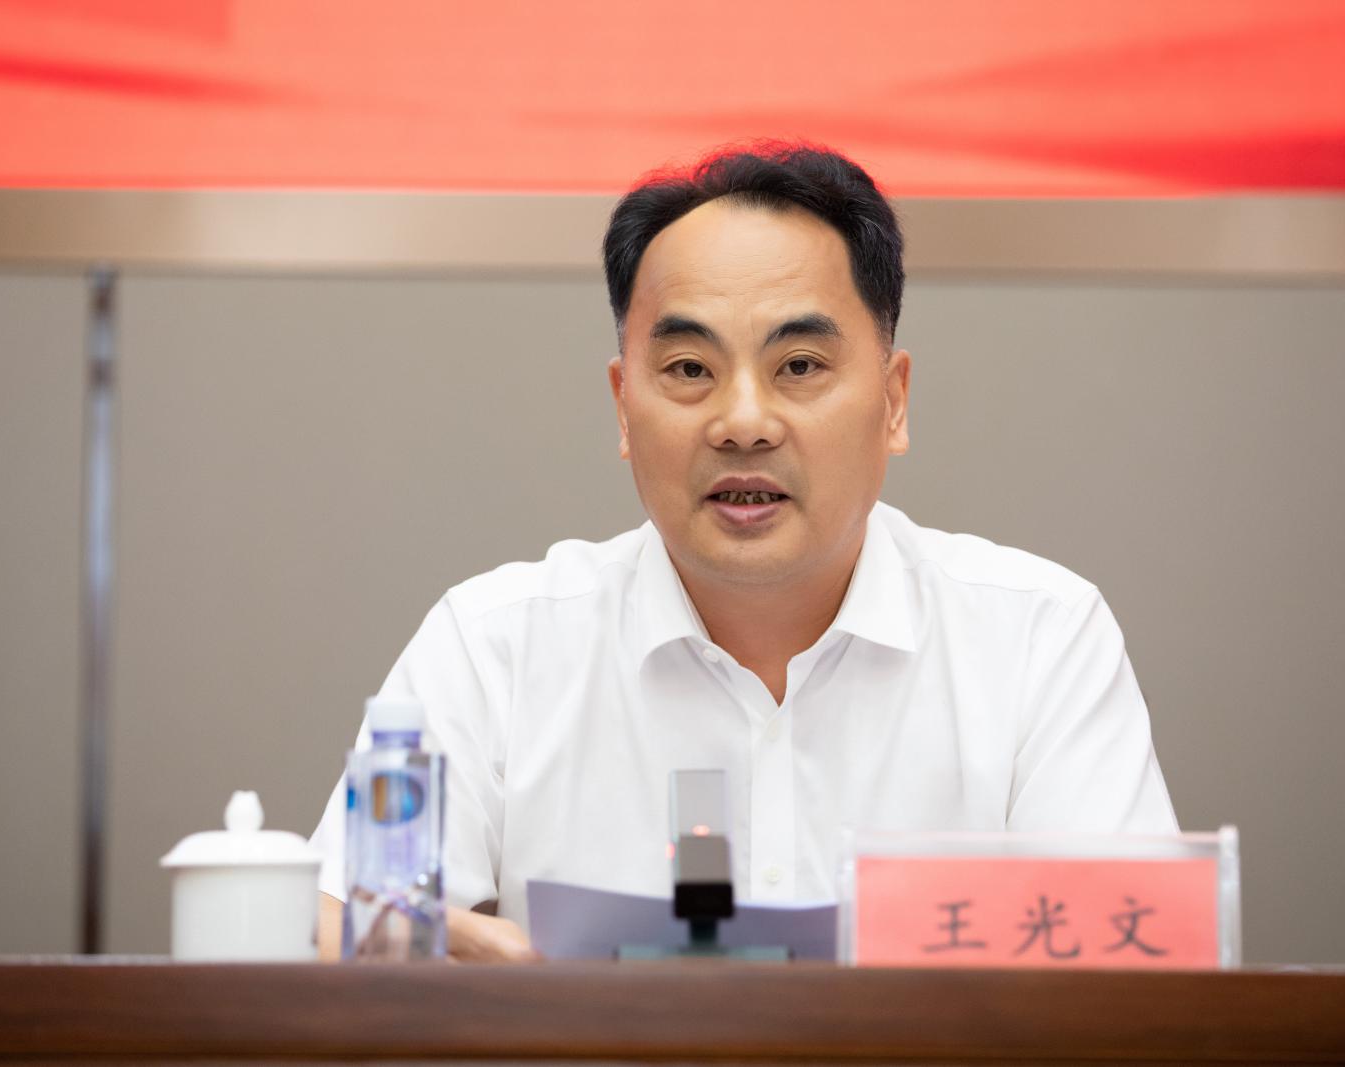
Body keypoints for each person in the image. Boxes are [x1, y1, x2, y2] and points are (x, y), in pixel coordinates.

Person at [309, 140, 1177, 962]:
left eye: (799, 366)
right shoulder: (493, 647)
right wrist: (412, 952)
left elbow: (1132, 972)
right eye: (690, 369)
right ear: (623, 405)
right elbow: (332, 925)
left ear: (893, 401)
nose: (744, 422)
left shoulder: (1038, 640)